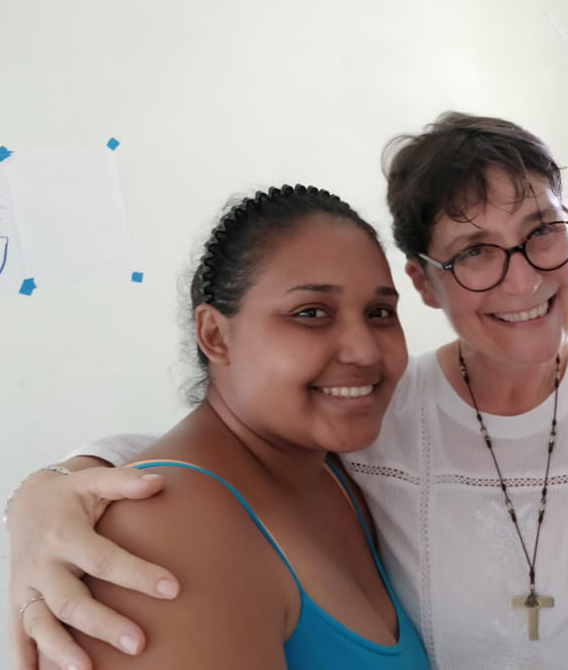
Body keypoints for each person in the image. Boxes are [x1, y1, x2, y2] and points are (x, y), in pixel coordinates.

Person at [6, 115, 568, 670]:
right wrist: (50, 487)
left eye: (543, 233)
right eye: (474, 252)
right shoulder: (382, 417)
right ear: (426, 282)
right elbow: (194, 466)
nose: (522, 279)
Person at [26, 184, 429, 668]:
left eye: (379, 313)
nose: (364, 351)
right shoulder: (164, 535)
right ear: (215, 336)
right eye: (311, 314)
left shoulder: (337, 474)